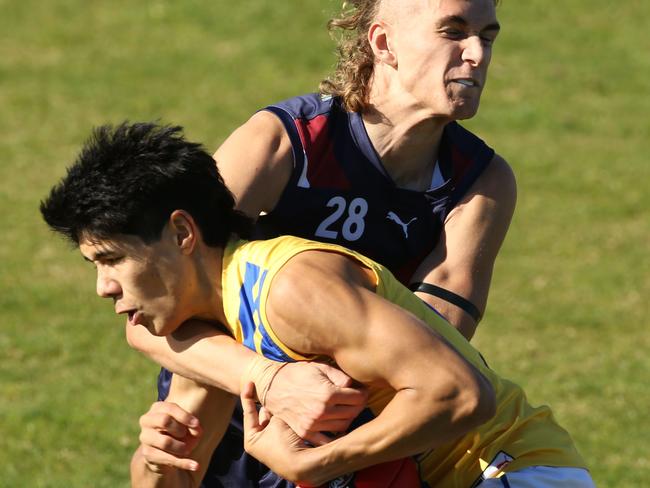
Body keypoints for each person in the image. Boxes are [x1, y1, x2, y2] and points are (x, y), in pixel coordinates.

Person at [40, 122, 594, 487]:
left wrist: (313, 463)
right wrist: (156, 462)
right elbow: (182, 472)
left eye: (110, 259)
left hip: (511, 472)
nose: (103, 287)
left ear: (182, 233)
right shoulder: (210, 328)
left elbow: (460, 395)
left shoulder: (287, 286)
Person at [126, 0, 517, 484]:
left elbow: (437, 347)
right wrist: (271, 381)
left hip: (349, 436)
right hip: (220, 420)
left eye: (488, 35)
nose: (477, 53)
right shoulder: (286, 143)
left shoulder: (480, 182)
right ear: (382, 42)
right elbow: (149, 311)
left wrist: (318, 400)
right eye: (453, 32)